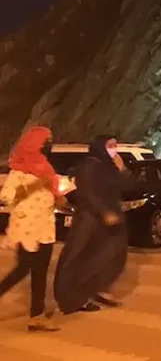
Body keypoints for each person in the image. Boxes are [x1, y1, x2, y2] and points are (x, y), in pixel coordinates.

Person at [53, 135, 129, 315]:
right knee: (76, 257)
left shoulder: (110, 167)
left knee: (110, 255)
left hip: (109, 220)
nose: (114, 149)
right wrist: (104, 212)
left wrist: (123, 168)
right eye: (110, 145)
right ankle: (68, 299)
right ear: (101, 146)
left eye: (115, 145)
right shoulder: (88, 166)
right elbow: (87, 193)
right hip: (89, 220)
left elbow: (128, 186)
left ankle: (90, 290)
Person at [0, 126, 63, 331]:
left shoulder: (46, 167)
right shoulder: (19, 169)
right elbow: (6, 197)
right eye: (47, 140)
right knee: (22, 269)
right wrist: (35, 186)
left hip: (45, 226)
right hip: (27, 227)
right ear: (35, 142)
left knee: (40, 271)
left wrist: (58, 197)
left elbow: (50, 191)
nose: (49, 144)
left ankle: (36, 316)